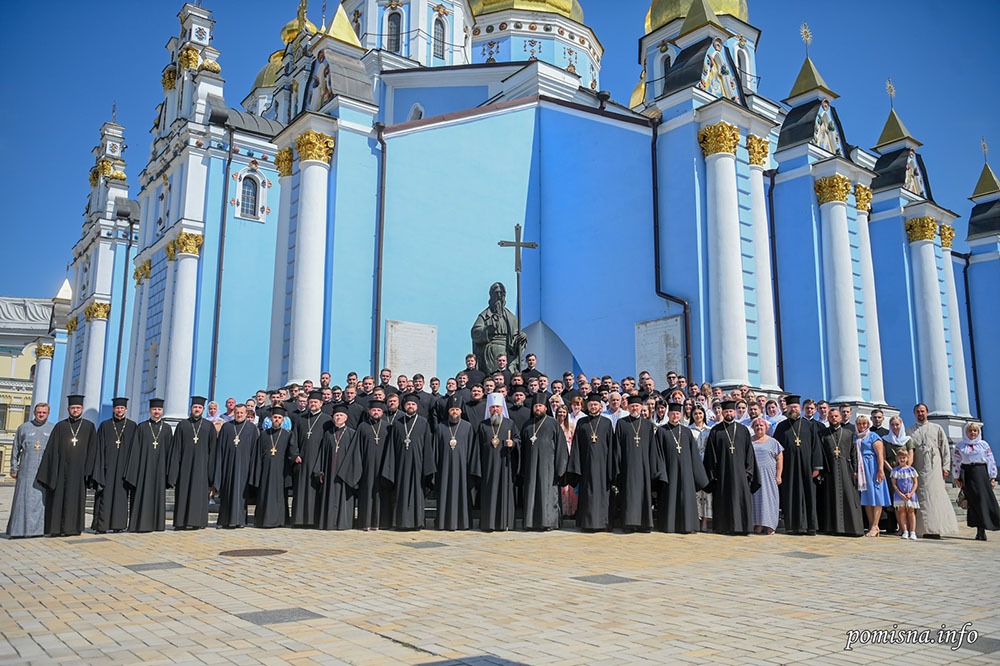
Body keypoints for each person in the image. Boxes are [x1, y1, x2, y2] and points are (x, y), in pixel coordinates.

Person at [36, 394, 100, 537]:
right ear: (68, 409)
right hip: (60, 472)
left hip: (79, 472)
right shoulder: (60, 426)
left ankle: (73, 529)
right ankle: (56, 529)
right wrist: (52, 470)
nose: (75, 410)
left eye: (78, 408)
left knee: (75, 501)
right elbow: (52, 450)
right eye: (73, 408)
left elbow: (93, 451)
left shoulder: (89, 427)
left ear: (82, 409)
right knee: (58, 499)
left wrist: (88, 472)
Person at [702, 400, 760, 535]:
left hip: (741, 474)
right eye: (726, 411)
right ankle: (723, 527)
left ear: (734, 412)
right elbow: (710, 454)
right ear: (722, 412)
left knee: (741, 500)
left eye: (731, 411)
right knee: (723, 499)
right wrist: (713, 473)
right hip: (722, 474)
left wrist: (749, 471)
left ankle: (742, 527)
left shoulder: (743, 430)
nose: (728, 413)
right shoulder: (715, 431)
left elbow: (749, 453)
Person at [613, 395, 666, 533]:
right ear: (628, 407)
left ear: (641, 407)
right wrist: (618, 466)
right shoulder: (621, 423)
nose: (634, 408)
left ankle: (644, 524)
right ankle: (629, 524)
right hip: (627, 467)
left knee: (643, 495)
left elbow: (652, 447)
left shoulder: (648, 425)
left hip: (644, 467)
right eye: (632, 406)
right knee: (629, 495)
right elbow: (617, 446)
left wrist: (653, 468)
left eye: (637, 406)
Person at [565, 393, 616, 531]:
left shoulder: (606, 422)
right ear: (587, 406)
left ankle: (603, 523)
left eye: (596, 404)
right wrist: (576, 466)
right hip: (586, 465)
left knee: (602, 496)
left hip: (602, 467)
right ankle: (587, 523)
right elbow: (576, 446)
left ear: (600, 406)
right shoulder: (582, 422)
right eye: (591, 404)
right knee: (586, 495)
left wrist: (611, 467)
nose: (593, 407)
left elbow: (611, 447)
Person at [772, 394, 822, 535]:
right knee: (790, 495)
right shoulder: (782, 427)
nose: (793, 409)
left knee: (809, 495)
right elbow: (776, 449)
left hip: (807, 467)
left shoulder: (809, 425)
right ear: (786, 408)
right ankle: (793, 527)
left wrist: (816, 466)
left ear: (799, 408)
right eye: (790, 407)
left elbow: (816, 446)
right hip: (789, 468)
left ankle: (810, 526)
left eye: (795, 407)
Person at [906, 404, 958, 538]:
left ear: (927, 413)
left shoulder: (937, 428)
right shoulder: (910, 430)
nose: (920, 414)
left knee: (935, 497)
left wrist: (946, 467)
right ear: (914, 414)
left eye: (922, 411)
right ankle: (923, 529)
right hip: (918, 467)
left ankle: (936, 528)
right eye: (917, 412)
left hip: (934, 467)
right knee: (922, 497)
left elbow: (945, 448)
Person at [655, 403, 708, 534]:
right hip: (669, 472)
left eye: (677, 414)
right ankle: (670, 526)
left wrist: (698, 475)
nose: (675, 416)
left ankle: (688, 526)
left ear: (681, 415)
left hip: (686, 472)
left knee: (687, 497)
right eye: (672, 413)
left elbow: (694, 455)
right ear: (668, 415)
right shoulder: (661, 431)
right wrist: (661, 473)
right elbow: (658, 454)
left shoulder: (686, 431)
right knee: (670, 497)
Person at [519, 394, 569, 531]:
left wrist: (561, 468)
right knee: (531, 493)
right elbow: (522, 448)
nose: (538, 408)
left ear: (545, 408)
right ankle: (530, 522)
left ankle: (549, 522)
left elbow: (561, 447)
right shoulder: (527, 425)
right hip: (531, 466)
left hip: (549, 467)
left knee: (548, 494)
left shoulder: (553, 423)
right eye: (535, 406)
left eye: (540, 406)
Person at [6, 403, 55, 538]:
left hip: (45, 471)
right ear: (34, 412)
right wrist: (13, 468)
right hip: (26, 471)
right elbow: (15, 450)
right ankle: (18, 530)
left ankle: (39, 530)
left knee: (41, 501)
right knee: (23, 501)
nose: (41, 414)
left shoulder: (53, 429)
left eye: (44, 412)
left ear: (48, 413)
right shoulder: (24, 428)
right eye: (39, 412)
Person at [167, 396, 216, 530]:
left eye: (200, 407)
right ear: (191, 408)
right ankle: (180, 522)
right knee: (183, 494)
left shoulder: (208, 426)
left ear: (203, 409)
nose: (197, 409)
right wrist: (173, 472)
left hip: (202, 468)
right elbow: (176, 449)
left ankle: (198, 522)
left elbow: (213, 451)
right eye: (195, 407)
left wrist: (211, 474)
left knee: (199, 495)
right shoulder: (183, 425)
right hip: (184, 468)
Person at [428, 395, 475, 531]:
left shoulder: (468, 427)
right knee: (445, 494)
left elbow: (472, 450)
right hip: (444, 470)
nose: (454, 412)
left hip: (462, 471)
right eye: (452, 409)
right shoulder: (441, 427)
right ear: (448, 411)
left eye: (457, 409)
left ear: (461, 411)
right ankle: (443, 523)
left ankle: (463, 523)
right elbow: (435, 451)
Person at [473, 392, 519, 532]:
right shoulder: (483, 425)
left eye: (498, 407)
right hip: (488, 467)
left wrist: (514, 443)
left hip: (505, 466)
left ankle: (505, 523)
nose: (495, 410)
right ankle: (489, 524)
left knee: (504, 493)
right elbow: (477, 448)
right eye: (493, 407)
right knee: (489, 495)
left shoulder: (510, 423)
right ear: (489, 409)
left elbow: (518, 439)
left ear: (502, 408)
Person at [124, 398, 171, 533]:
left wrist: (168, 471)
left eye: (159, 409)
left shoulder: (167, 429)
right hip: (144, 470)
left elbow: (169, 451)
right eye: (154, 409)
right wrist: (135, 471)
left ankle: (157, 524)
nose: (157, 412)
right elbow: (135, 450)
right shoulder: (142, 427)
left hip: (160, 469)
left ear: (162, 411)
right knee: (142, 495)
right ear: (150, 410)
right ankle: (140, 524)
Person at [313, 403, 362, 531]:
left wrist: (351, 472)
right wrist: (320, 471)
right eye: (336, 416)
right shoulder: (328, 434)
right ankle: (329, 523)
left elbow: (356, 456)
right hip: (330, 472)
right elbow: (322, 453)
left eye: (341, 415)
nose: (338, 418)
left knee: (344, 497)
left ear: (346, 418)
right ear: (333, 418)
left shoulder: (352, 433)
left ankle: (343, 523)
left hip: (345, 474)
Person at [815, 408, 863, 537]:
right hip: (830, 470)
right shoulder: (822, 434)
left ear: (840, 417)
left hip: (846, 469)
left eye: (836, 416)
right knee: (831, 497)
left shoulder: (848, 433)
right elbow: (820, 453)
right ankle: (832, 527)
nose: (834, 418)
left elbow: (854, 453)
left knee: (848, 496)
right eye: (831, 417)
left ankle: (851, 528)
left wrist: (855, 470)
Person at [92, 397, 136, 534]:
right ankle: (102, 526)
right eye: (117, 408)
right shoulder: (105, 426)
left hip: (124, 469)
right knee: (104, 496)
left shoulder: (132, 426)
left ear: (126, 409)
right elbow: (98, 448)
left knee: (121, 498)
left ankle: (119, 525)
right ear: (113, 409)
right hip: (107, 468)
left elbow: (135, 450)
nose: (120, 410)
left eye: (122, 408)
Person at [250, 406, 299, 528]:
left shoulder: (288, 434)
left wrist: (295, 457)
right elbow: (257, 454)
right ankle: (263, 520)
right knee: (264, 494)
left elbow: (292, 451)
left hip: (281, 470)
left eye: (279, 418)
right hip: (266, 470)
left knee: (280, 495)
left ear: (283, 420)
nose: (277, 419)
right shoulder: (264, 434)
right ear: (271, 419)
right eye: (275, 417)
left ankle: (280, 521)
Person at [952, 423, 999, 541]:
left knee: (982, 500)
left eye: (975, 431)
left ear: (978, 432)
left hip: (981, 473)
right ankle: (979, 529)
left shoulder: (983, 445)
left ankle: (983, 529)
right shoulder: (960, 446)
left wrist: (992, 477)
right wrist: (956, 477)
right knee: (973, 502)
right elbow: (956, 461)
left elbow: (990, 460)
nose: (972, 433)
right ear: (966, 432)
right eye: (970, 431)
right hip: (968, 474)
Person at [214, 403, 258, 528]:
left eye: (242, 413)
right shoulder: (227, 427)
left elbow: (255, 450)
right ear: (234, 413)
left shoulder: (251, 428)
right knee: (227, 492)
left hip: (244, 466)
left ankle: (240, 521)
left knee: (241, 494)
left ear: (246, 414)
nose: (239, 415)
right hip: (228, 465)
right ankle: (223, 521)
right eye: (237, 413)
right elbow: (220, 448)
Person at [291, 391, 330, 528]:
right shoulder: (301, 419)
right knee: (301, 490)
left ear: (321, 403)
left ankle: (313, 520)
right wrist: (295, 454)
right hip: (302, 460)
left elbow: (328, 443)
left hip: (317, 461)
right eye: (311, 402)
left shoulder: (327, 420)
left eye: (315, 402)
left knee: (314, 490)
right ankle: (299, 520)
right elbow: (293, 439)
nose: (313, 404)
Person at [471, 282, 526, 374]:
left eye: (501, 293)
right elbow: (475, 332)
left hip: (507, 350)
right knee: (492, 377)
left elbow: (516, 335)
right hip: (491, 351)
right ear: (492, 295)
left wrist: (521, 337)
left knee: (506, 376)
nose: (499, 296)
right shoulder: (485, 315)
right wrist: (487, 330)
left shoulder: (510, 317)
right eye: (496, 293)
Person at [356, 400, 392, 530]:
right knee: (366, 493)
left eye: (378, 410)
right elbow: (356, 449)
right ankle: (365, 523)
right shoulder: (362, 427)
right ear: (369, 412)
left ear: (382, 412)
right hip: (366, 467)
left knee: (381, 494)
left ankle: (381, 523)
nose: (376, 412)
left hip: (383, 466)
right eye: (373, 410)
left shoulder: (388, 427)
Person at [857, 414, 890, 537]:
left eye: (864, 423)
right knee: (866, 497)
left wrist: (880, 470)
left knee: (876, 496)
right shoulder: (857, 437)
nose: (862, 426)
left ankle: (876, 525)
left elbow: (880, 455)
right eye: (859, 424)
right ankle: (871, 524)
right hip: (862, 470)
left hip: (873, 468)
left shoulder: (873, 436)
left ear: (868, 424)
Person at [749, 416, 783, 535]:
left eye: (761, 425)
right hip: (755, 475)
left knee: (769, 499)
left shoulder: (773, 442)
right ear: (753, 428)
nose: (759, 427)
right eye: (756, 426)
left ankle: (770, 525)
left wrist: (778, 475)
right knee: (756, 500)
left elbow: (779, 458)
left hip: (769, 475)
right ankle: (758, 524)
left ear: (766, 427)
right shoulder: (749, 441)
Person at [891, 447, 920, 541]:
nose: (902, 459)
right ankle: (905, 531)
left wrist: (911, 493)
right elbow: (894, 484)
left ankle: (913, 532)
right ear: (897, 459)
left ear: (907, 458)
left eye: (904, 457)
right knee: (901, 512)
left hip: (910, 495)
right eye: (900, 457)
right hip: (900, 495)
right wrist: (900, 494)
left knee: (911, 512)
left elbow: (915, 482)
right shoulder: (895, 470)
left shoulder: (911, 470)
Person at [555, 404, 577, 519]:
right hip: (557, 456)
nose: (561, 414)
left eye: (564, 412)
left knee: (569, 486)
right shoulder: (553, 425)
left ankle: (571, 510)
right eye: (560, 412)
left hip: (568, 455)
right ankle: (561, 510)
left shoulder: (571, 426)